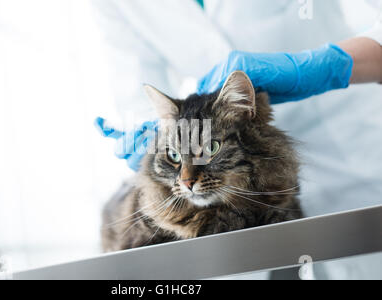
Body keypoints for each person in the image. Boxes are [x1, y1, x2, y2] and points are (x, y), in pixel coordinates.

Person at [92, 0, 382, 279]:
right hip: (230, 182)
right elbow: (137, 86)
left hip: (350, 148)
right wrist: (152, 133)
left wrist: (330, 65)